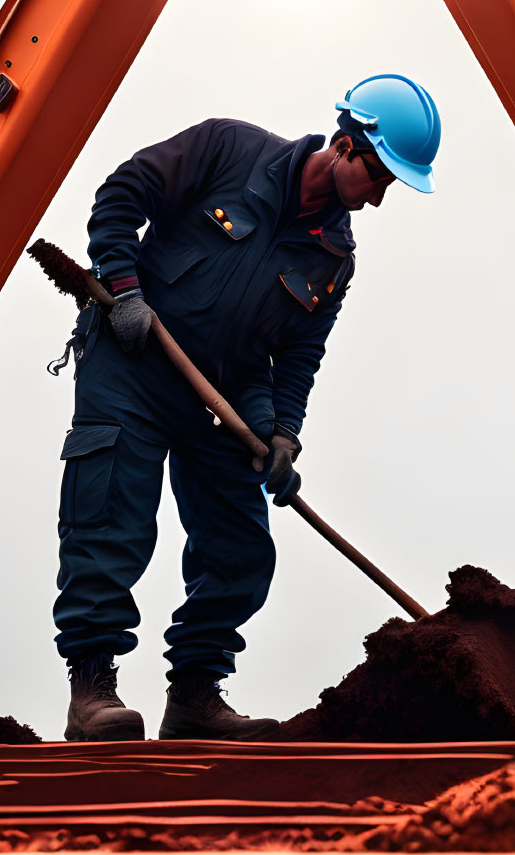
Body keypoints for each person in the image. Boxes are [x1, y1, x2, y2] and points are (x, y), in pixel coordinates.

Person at [53, 74, 441, 741]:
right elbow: (122, 194)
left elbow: (295, 358)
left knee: (240, 546)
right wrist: (124, 287)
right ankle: (92, 689)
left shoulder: (332, 259)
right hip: (133, 363)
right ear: (347, 146)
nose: (377, 199)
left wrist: (281, 434)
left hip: (220, 397)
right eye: (378, 179)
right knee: (110, 511)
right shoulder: (226, 149)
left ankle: (195, 696)